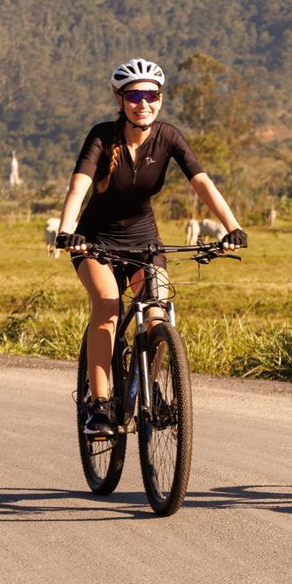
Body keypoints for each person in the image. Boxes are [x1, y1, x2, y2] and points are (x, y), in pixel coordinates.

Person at [54, 58, 247, 437]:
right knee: (108, 305)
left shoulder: (168, 137)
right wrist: (66, 231)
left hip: (144, 240)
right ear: (120, 99)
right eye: (134, 96)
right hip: (95, 239)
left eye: (152, 95)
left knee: (157, 314)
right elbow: (79, 186)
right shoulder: (102, 136)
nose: (143, 103)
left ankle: (147, 385)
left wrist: (233, 227)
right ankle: (99, 405)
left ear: (160, 99)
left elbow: (202, 182)